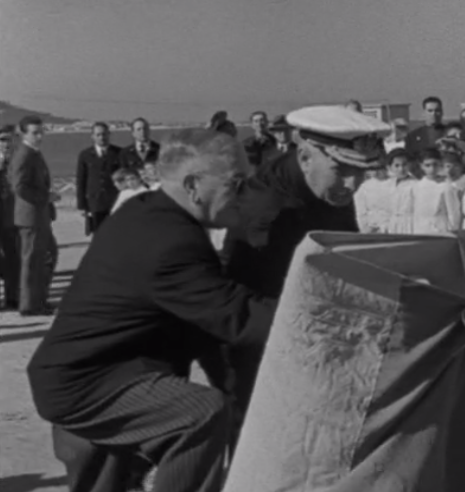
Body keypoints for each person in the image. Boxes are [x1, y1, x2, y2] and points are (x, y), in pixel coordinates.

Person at [28, 128, 275, 492]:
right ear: (193, 185)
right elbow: (234, 314)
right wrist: (338, 318)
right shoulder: (169, 240)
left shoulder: (153, 213)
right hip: (88, 383)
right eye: (236, 184)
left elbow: (207, 319)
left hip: (110, 370)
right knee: (201, 413)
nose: (243, 196)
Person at [223, 105, 391, 298]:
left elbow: (345, 250)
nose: (352, 184)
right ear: (305, 158)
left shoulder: (330, 186)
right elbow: (253, 294)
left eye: (360, 171)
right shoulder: (264, 206)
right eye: (341, 171)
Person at [9, 116, 58, 316]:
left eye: (41, 132)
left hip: (37, 215)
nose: (39, 136)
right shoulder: (24, 154)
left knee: (45, 257)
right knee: (33, 261)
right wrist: (46, 197)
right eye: (34, 132)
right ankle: (30, 305)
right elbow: (19, 186)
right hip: (31, 216)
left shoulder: (33, 153)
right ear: (23, 133)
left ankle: (37, 300)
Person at [76, 122, 121, 235]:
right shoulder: (85, 155)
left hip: (115, 201)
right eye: (98, 135)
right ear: (92, 136)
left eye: (104, 134)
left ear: (109, 134)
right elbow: (81, 180)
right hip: (95, 202)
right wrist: (82, 204)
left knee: (116, 233)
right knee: (98, 235)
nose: (102, 137)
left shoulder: (119, 153)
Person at [412, 148, 461, 234]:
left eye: (435, 165)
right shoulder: (417, 186)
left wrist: (453, 229)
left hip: (440, 229)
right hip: (420, 229)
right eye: (427, 165)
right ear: (421, 166)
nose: (432, 169)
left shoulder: (446, 186)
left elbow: (453, 212)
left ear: (440, 164)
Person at [0, 125, 20, 310]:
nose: (6, 144)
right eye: (2, 140)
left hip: (11, 215)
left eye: (9, 140)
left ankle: (12, 297)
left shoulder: (19, 160)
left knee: (12, 257)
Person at [383, 148, 416, 234]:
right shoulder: (387, 185)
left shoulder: (415, 185)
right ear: (389, 167)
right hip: (391, 225)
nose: (401, 169)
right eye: (397, 165)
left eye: (404, 165)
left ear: (410, 165)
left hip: (409, 225)